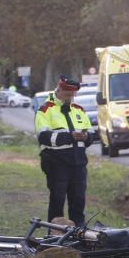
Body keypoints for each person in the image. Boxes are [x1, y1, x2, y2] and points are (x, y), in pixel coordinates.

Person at [35, 75, 96, 226]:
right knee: (57, 201)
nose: (70, 98)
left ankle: (79, 235)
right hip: (56, 163)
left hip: (79, 163)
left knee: (78, 202)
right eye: (67, 95)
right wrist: (70, 136)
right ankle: (55, 236)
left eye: (73, 95)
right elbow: (43, 137)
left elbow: (92, 136)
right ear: (59, 90)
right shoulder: (45, 110)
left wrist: (85, 136)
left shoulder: (78, 110)